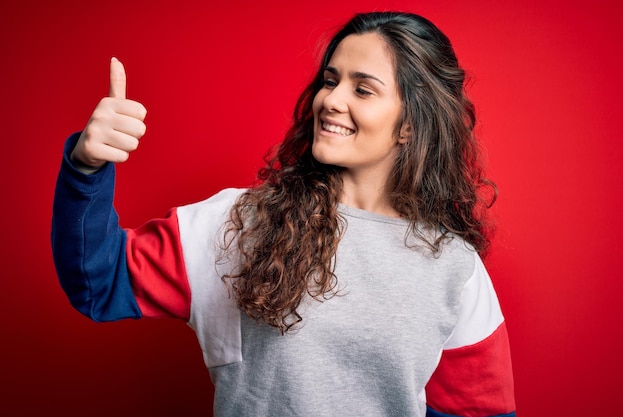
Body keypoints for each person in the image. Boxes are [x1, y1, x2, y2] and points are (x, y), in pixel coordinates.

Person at [52, 11, 516, 417]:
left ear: (410, 126)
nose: (331, 100)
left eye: (363, 88)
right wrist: (86, 168)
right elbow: (99, 281)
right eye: (330, 81)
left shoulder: (455, 267)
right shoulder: (237, 224)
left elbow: (475, 411)